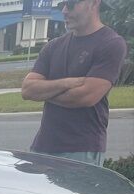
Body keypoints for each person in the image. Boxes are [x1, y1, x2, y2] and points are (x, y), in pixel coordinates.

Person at [20, 0, 128, 166]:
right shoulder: (53, 46)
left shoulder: (111, 43)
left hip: (81, 150)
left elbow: (85, 97)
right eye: (61, 5)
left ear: (94, 3)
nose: (64, 11)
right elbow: (27, 90)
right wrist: (66, 83)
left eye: (70, 4)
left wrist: (44, 92)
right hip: (42, 146)